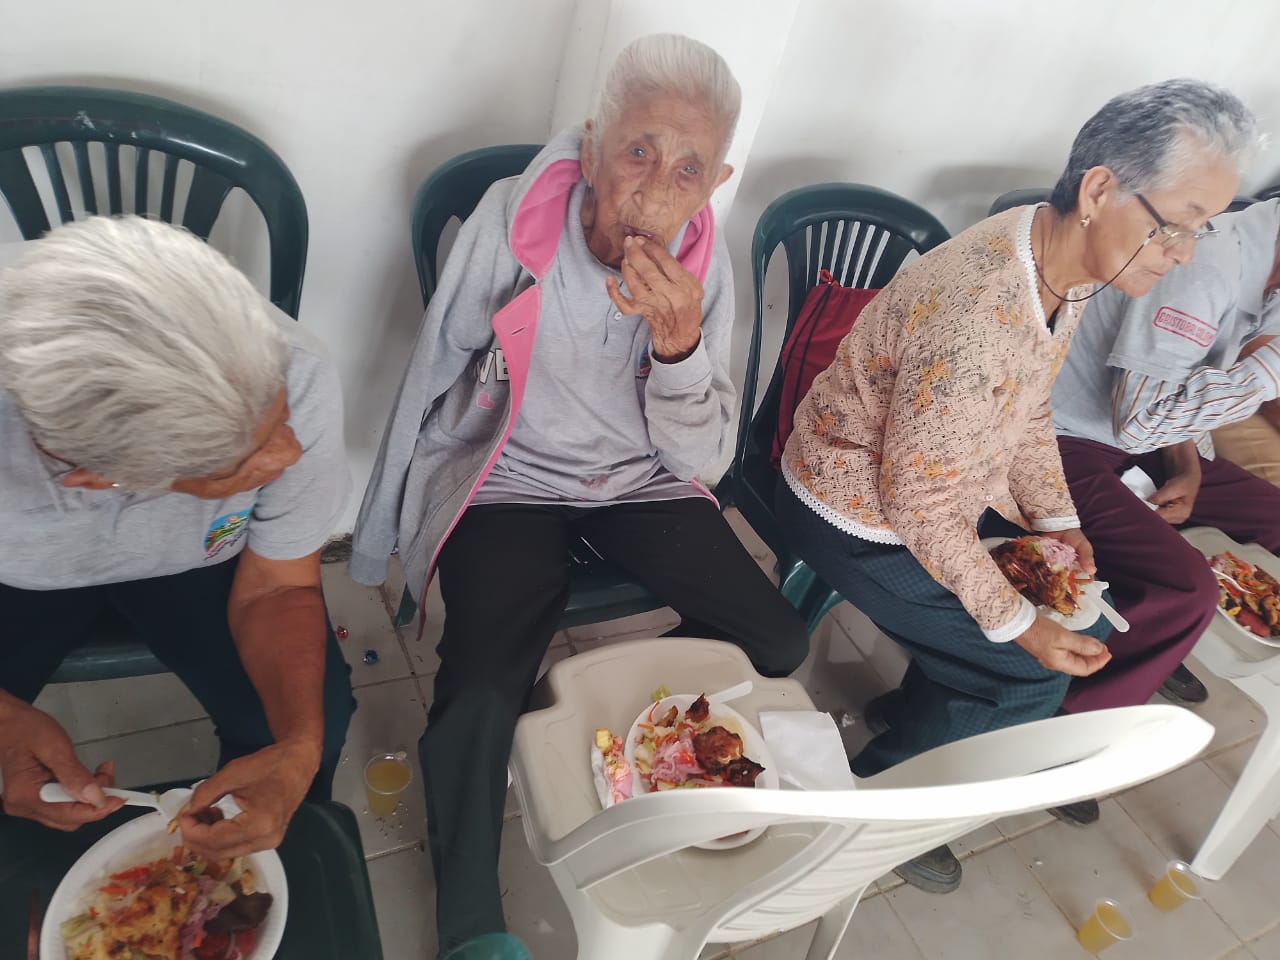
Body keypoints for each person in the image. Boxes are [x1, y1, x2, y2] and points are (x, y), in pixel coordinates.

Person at [351, 34, 808, 957]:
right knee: (480, 685)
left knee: (779, 639)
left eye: (688, 168)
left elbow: (706, 457)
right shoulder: (510, 223)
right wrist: (378, 539)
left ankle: (567, 712)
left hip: (640, 479)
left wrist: (679, 350)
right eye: (638, 150)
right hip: (510, 478)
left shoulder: (703, 264)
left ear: (715, 183)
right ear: (593, 146)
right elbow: (431, 368)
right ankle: (469, 918)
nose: (656, 188)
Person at [776, 78, 1257, 894]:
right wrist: (1021, 628)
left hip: (931, 488)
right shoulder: (980, 310)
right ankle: (872, 810)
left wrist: (1057, 519)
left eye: (1200, 231)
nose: (1183, 254)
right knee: (1031, 671)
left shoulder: (1058, 257)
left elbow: (1030, 407)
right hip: (853, 510)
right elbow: (918, 507)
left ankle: (924, 717)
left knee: (1055, 605)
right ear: (1099, 191)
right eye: (1176, 225)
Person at [0, 216, 353, 859]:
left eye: (279, 417)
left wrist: (300, 746)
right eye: (241, 466)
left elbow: (279, 586)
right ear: (103, 480)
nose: (288, 454)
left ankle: (266, 850)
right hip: (17, 579)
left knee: (306, 723)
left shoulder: (293, 367)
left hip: (198, 566)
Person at [1053, 195, 1280, 708]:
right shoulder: (1207, 266)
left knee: (1273, 517)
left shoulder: (1268, 269)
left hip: (1144, 436)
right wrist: (1269, 371)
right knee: (1187, 590)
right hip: (1063, 435)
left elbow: (1175, 391)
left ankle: (1149, 641)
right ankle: (1067, 717)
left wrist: (1187, 465)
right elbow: (1139, 424)